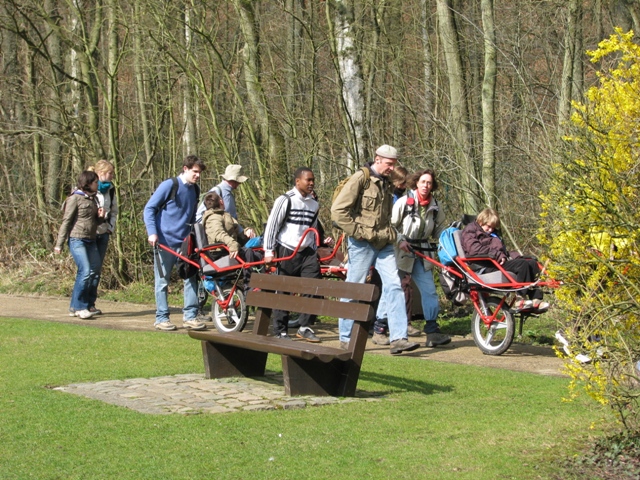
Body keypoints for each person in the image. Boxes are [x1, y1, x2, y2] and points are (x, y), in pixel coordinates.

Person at [331, 144, 420, 355]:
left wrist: (396, 238)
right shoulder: (360, 179)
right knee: (353, 288)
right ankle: (345, 337)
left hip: (384, 244)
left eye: (394, 164)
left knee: (394, 287)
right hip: (362, 244)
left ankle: (398, 339)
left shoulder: (387, 184)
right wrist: (357, 232)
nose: (392, 168)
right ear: (377, 159)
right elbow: (337, 212)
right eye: (389, 164)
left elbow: (385, 219)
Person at [143, 155, 207, 331]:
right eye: (195, 172)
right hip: (164, 241)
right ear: (185, 169)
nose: (198, 175)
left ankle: (190, 316)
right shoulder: (169, 185)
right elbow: (149, 209)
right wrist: (152, 233)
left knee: (190, 278)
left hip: (185, 242)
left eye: (199, 173)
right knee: (162, 281)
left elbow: (192, 216)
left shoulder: (195, 190)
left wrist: (193, 237)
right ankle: (161, 318)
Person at [263, 167, 322, 343]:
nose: (311, 183)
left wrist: (314, 248)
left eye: (313, 180)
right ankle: (280, 329)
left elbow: (312, 228)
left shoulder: (314, 204)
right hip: (286, 249)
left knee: (312, 287)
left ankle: (305, 327)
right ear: (298, 181)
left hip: (307, 251)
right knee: (284, 290)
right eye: (308, 180)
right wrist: (268, 250)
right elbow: (272, 226)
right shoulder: (285, 200)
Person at [460, 208, 549, 311]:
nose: (491, 230)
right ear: (481, 221)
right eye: (489, 226)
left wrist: (517, 257)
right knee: (521, 265)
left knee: (532, 263)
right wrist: (497, 255)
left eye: (493, 228)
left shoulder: (492, 234)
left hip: (495, 262)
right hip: (485, 265)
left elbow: (504, 252)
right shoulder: (470, 230)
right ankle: (520, 299)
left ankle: (536, 299)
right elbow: (474, 250)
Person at [54, 171, 105, 319]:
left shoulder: (93, 199)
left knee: (95, 270)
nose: (98, 184)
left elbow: (94, 223)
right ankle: (79, 307)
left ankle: (86, 304)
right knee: (85, 271)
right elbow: (66, 221)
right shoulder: (74, 198)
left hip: (91, 239)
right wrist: (59, 244)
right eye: (95, 182)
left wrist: (101, 217)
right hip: (77, 239)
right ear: (87, 183)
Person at [201, 191, 260, 290]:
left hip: (229, 249)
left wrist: (247, 231)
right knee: (248, 252)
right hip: (220, 253)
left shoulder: (225, 215)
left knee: (259, 253)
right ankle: (249, 287)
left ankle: (263, 285)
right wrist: (232, 244)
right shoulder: (213, 218)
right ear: (221, 201)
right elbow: (219, 234)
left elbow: (237, 233)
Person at [84, 160, 118, 316]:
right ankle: (81, 303)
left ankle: (91, 303)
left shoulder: (111, 189)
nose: (111, 176)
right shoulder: (89, 188)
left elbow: (114, 210)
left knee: (97, 270)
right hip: (89, 233)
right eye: (109, 173)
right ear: (100, 173)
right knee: (88, 269)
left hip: (104, 232)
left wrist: (110, 227)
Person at [195, 164, 254, 239]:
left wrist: (244, 232)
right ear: (234, 180)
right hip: (217, 240)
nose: (240, 183)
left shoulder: (230, 194)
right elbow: (200, 217)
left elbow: (232, 219)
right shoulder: (216, 192)